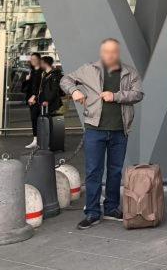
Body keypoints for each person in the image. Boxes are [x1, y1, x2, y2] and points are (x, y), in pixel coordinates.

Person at [60, 38, 144, 230]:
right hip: (94, 129)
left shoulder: (129, 72)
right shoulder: (89, 69)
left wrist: (115, 96)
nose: (110, 55)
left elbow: (138, 94)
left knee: (115, 171)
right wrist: (74, 91)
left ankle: (112, 208)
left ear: (118, 52)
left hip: (120, 130)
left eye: (113, 52)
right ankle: (92, 212)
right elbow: (65, 79)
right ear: (101, 52)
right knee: (93, 171)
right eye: (106, 51)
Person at [22, 53, 43, 149]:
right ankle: (35, 140)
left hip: (39, 100)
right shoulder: (32, 72)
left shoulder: (42, 72)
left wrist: (35, 97)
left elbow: (42, 87)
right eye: (31, 59)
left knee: (41, 120)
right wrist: (27, 80)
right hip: (31, 100)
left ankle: (42, 140)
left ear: (39, 59)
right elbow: (26, 88)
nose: (32, 60)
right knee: (34, 119)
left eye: (34, 58)